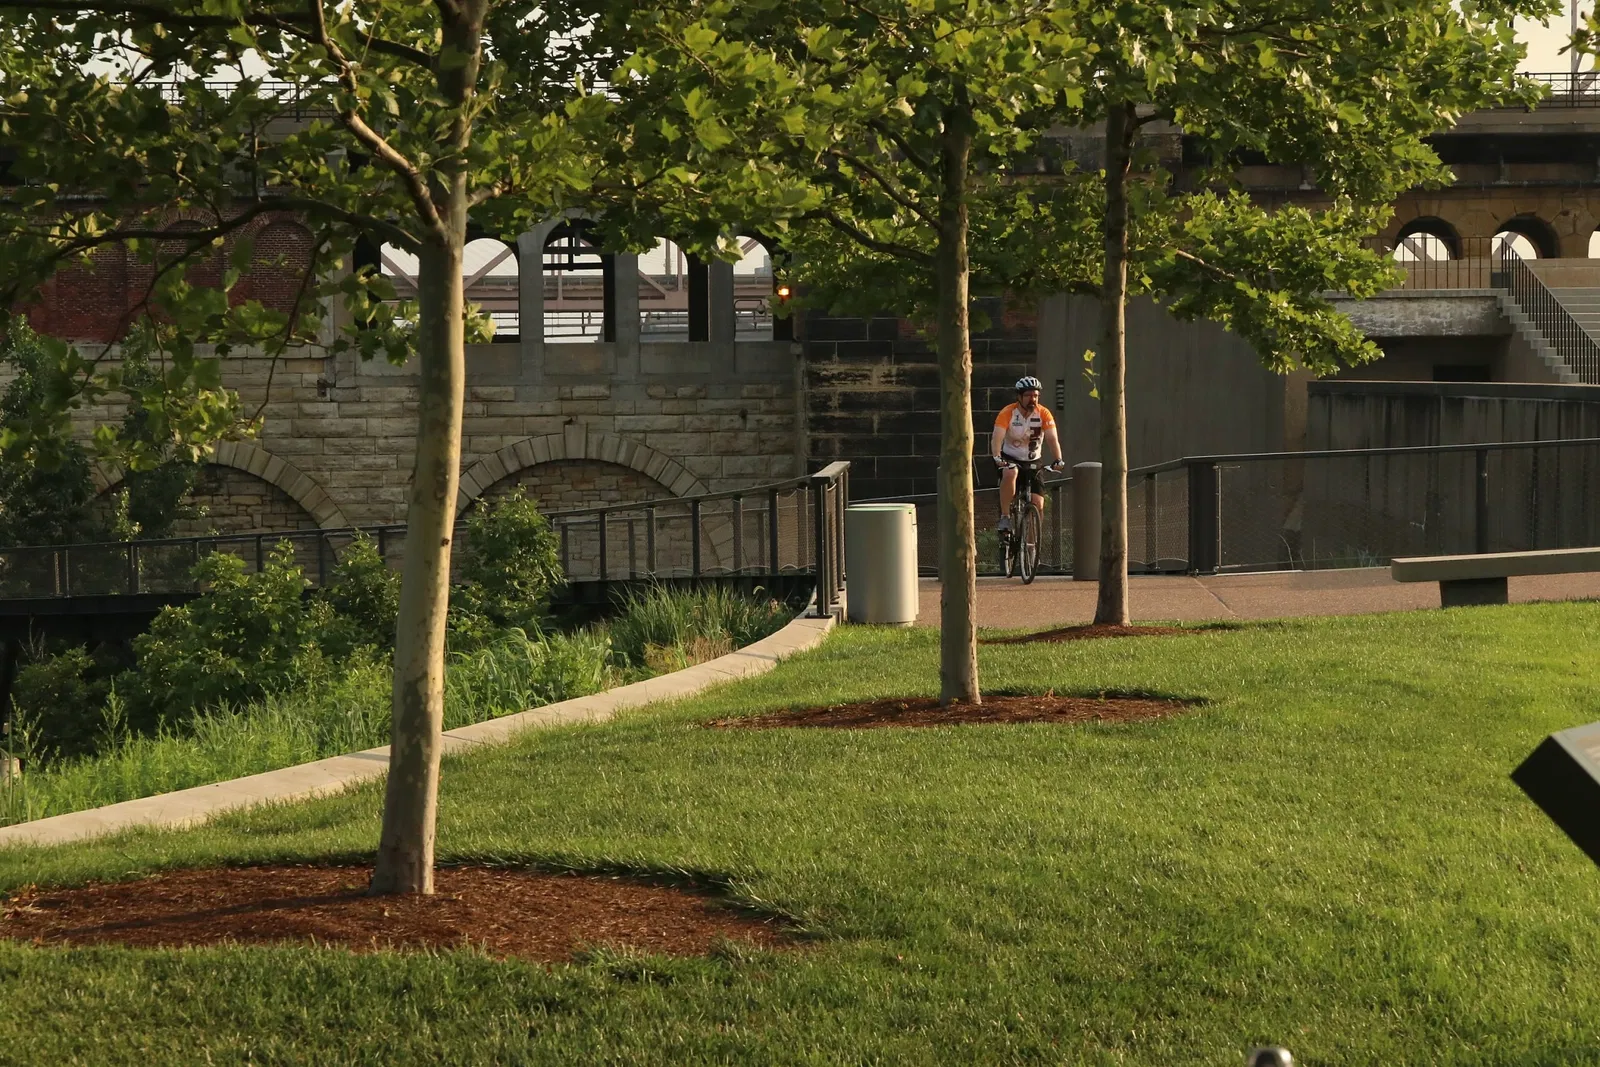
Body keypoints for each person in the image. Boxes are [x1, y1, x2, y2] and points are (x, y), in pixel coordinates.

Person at [991, 376, 1064, 533]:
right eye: (1028, 396)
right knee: (1011, 472)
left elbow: (1052, 439)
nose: (1033, 399)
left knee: (1038, 503)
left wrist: (1058, 459)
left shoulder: (1044, 413)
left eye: (1036, 396)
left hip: (1033, 461)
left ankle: (1032, 550)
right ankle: (1005, 517)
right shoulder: (1008, 413)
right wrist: (997, 457)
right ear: (1019, 397)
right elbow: (997, 438)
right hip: (1010, 458)